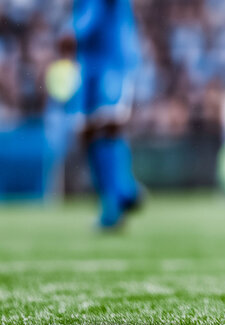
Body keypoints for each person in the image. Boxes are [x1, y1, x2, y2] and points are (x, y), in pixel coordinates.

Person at [73, 0, 143, 230]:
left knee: (107, 125)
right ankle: (123, 191)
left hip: (113, 60)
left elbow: (93, 16)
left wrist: (75, 30)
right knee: (86, 132)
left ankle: (114, 203)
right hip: (87, 63)